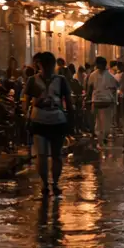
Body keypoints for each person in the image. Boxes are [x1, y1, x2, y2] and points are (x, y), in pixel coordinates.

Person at [25, 50, 72, 196]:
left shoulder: (61, 80)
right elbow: (26, 102)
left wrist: (70, 118)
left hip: (56, 120)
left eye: (49, 64)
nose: (47, 67)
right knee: (44, 155)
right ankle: (47, 183)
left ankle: (52, 183)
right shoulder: (33, 81)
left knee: (52, 155)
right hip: (40, 120)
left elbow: (69, 102)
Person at [88, 55, 120, 147]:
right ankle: (101, 139)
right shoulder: (109, 76)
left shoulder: (95, 75)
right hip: (102, 101)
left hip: (101, 101)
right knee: (102, 122)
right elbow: (115, 87)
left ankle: (101, 139)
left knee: (101, 122)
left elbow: (90, 88)